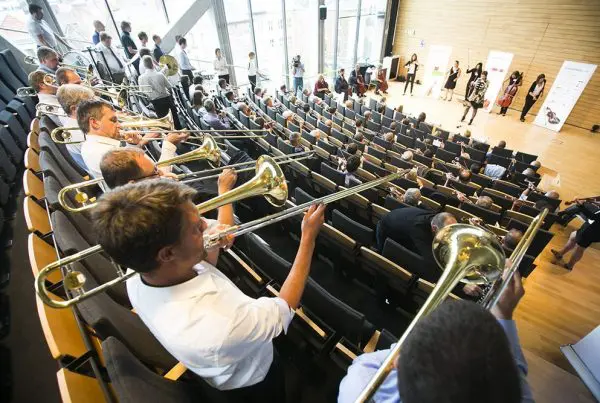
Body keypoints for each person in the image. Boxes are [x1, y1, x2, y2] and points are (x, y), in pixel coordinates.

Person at [92, 179, 325, 399]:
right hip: (254, 380)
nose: (206, 225)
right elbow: (284, 307)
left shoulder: (138, 273)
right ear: (168, 253)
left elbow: (200, 272)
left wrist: (207, 246)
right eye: (196, 228)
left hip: (226, 355)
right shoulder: (222, 328)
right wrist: (308, 239)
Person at [338, 274, 533, 403]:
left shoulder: (357, 388)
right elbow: (514, 373)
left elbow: (363, 363)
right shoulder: (509, 392)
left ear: (397, 364)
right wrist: (504, 313)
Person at [77, 99, 184, 179]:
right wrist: (169, 145)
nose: (119, 125)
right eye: (113, 120)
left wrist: (134, 146)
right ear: (94, 123)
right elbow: (159, 179)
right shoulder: (108, 153)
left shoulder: (89, 145)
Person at [375, 209, 457, 282]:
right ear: (434, 228)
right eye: (446, 233)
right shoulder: (419, 229)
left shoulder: (436, 219)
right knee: (383, 262)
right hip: (385, 229)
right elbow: (431, 260)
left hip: (401, 223)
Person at [56, 84, 95, 171]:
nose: (97, 104)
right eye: (90, 102)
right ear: (74, 109)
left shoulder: (71, 123)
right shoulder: (81, 133)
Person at [551, 202, 600, 271]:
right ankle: (560, 253)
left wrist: (581, 206)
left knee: (579, 248)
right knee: (573, 236)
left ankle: (570, 265)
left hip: (592, 232)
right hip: (590, 228)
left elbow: (592, 217)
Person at [138, 56, 181, 129]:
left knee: (164, 123)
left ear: (144, 66)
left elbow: (143, 92)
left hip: (155, 103)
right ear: (152, 63)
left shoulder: (140, 78)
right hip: (166, 100)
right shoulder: (160, 75)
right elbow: (170, 87)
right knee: (175, 121)